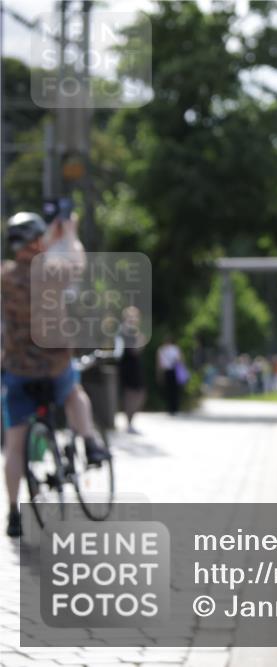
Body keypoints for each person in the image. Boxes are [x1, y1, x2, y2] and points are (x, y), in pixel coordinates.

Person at [1, 211, 111, 538]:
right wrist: (69, 234)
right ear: (37, 241)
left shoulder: (4, 276)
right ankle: (90, 442)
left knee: (15, 443)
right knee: (75, 394)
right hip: (54, 365)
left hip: (18, 368)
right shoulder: (49, 271)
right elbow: (79, 262)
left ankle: (13, 513)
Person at [118, 306, 147, 434]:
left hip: (134, 365)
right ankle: (129, 423)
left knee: (138, 394)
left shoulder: (131, 331)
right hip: (128, 365)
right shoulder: (126, 331)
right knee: (131, 395)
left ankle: (130, 422)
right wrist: (141, 341)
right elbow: (134, 351)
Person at [156, 336, 184, 415]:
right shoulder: (165, 349)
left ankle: (173, 409)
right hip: (168, 371)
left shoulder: (165, 349)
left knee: (173, 391)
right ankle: (172, 409)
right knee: (171, 391)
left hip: (172, 371)